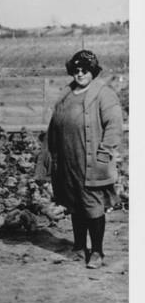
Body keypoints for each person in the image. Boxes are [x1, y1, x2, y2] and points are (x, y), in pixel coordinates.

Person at [39, 50, 123, 269]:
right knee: (74, 204)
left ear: (92, 71)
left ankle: (97, 252)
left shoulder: (103, 94)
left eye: (85, 70)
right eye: (76, 70)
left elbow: (114, 125)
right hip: (68, 162)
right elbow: (53, 127)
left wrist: (104, 152)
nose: (80, 74)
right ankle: (78, 247)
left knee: (92, 205)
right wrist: (49, 158)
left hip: (91, 162)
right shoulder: (66, 94)